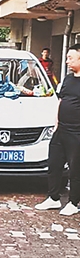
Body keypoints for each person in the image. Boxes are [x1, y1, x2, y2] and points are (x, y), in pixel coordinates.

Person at [35, 44, 80, 215]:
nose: (67, 61)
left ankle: (73, 202)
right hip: (61, 130)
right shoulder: (68, 79)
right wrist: (56, 125)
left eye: (70, 58)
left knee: (75, 169)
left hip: (77, 133)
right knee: (54, 165)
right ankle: (53, 198)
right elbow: (61, 101)